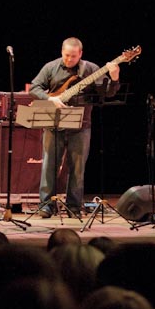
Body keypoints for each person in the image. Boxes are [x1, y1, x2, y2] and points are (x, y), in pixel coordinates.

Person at [30, 37, 122, 218]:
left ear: (80, 54)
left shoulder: (91, 69)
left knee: (77, 169)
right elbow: (35, 87)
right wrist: (51, 99)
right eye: (66, 56)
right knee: (49, 166)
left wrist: (115, 77)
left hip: (81, 126)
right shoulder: (51, 67)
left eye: (73, 56)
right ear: (61, 52)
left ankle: (73, 206)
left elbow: (107, 93)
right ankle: (46, 205)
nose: (69, 60)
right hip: (53, 124)